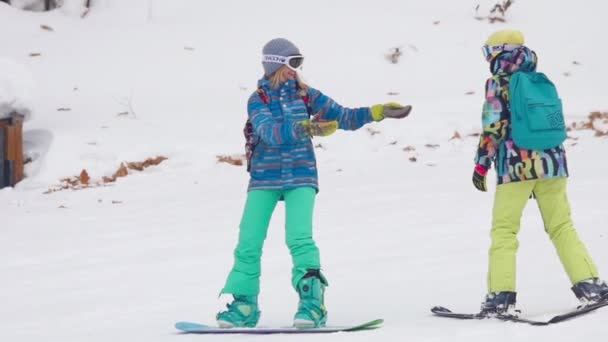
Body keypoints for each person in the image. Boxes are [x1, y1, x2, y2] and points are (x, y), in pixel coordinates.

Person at [215, 38, 411, 328]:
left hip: (301, 174)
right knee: (249, 240)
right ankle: (244, 305)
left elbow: (342, 115)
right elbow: (268, 132)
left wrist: (377, 112)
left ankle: (312, 304)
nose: (297, 69)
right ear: (275, 64)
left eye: (300, 63)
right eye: (292, 63)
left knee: (299, 237)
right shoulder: (258, 99)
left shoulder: (306, 95)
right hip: (264, 178)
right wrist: (304, 127)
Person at [473, 29, 608, 315]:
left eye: (489, 52)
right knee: (562, 225)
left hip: (516, 166)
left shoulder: (498, 83)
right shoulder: (540, 80)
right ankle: (591, 284)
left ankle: (501, 298)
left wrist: (481, 164)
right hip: (553, 162)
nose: (488, 59)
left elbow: (493, 127)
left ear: (500, 51)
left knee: (504, 230)